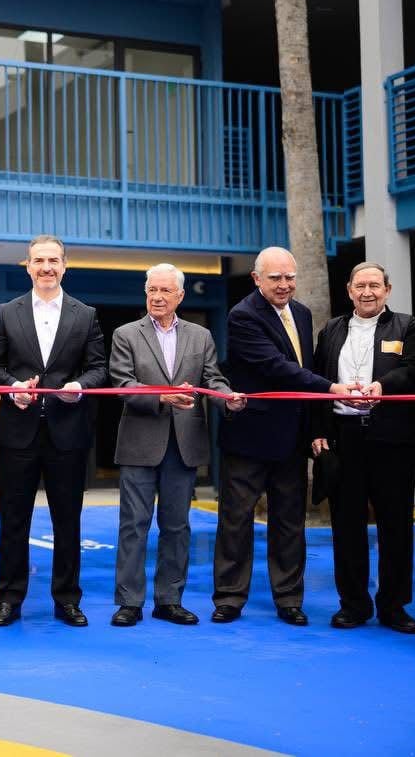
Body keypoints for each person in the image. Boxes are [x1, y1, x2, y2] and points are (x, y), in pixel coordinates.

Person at [213, 246, 358, 627]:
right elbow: (278, 369)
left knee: (290, 521)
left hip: (291, 438)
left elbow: (302, 369)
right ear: (257, 279)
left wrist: (315, 429)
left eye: (289, 277)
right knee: (236, 520)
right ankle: (229, 597)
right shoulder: (243, 315)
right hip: (249, 436)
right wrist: (332, 389)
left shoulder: (303, 314)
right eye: (275, 277)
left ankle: (289, 599)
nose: (284, 284)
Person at [108, 263, 244, 628]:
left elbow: (212, 379)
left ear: (180, 296)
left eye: (165, 291)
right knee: (133, 525)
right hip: (139, 442)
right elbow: (121, 385)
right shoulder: (126, 334)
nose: (157, 297)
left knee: (177, 526)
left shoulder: (201, 336)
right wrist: (161, 398)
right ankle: (129, 603)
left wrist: (227, 398)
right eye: (152, 290)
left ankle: (169, 600)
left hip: (184, 444)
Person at [0, 235, 107, 627]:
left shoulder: (85, 314)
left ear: (64, 266)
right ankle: (8, 599)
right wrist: (13, 388)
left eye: (53, 260)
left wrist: (80, 387)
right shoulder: (8, 311)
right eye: (39, 260)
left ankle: (67, 599)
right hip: (17, 431)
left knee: (67, 520)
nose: (47, 267)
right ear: (28, 265)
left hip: (67, 432)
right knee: (13, 520)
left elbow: (99, 367)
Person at [311, 262, 415, 634]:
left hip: (390, 437)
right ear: (349, 290)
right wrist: (317, 431)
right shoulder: (331, 329)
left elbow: (413, 370)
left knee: (395, 523)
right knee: (346, 524)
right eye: (360, 285)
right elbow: (317, 382)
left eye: (375, 285)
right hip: (344, 437)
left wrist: (383, 386)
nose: (367, 292)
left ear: (387, 290)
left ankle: (394, 606)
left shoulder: (406, 325)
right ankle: (354, 604)